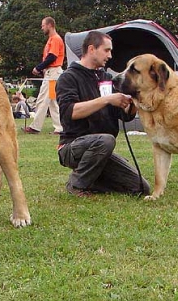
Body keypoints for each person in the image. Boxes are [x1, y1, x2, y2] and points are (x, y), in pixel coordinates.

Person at [56, 31, 150, 197]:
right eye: (106, 50)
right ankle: (76, 185)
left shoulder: (106, 77)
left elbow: (125, 115)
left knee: (142, 188)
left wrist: (135, 99)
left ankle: (92, 180)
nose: (110, 55)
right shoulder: (68, 77)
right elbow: (69, 113)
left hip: (102, 149)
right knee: (106, 140)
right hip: (72, 146)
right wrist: (106, 99)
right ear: (91, 49)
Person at [22, 17, 64, 134]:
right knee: (52, 101)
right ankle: (60, 127)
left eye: (43, 25)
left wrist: (38, 67)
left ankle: (35, 127)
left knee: (42, 99)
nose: (42, 28)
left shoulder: (55, 39)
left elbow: (52, 57)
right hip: (52, 72)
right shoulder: (52, 39)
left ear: (50, 25)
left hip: (53, 73)